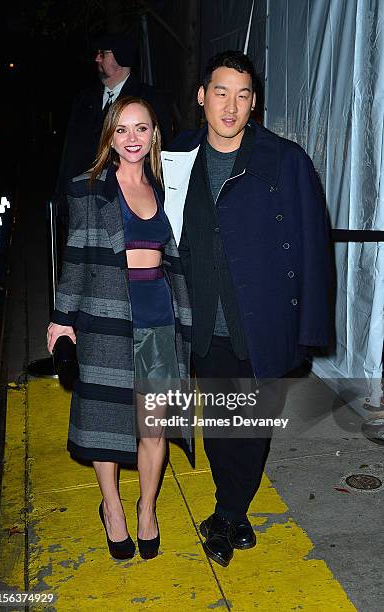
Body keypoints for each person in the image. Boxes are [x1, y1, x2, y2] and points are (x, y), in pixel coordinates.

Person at [161, 50, 331, 567]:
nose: (230, 107)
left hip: (261, 318)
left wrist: (310, 328)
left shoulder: (283, 160)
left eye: (242, 95)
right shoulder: (175, 156)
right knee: (219, 423)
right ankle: (231, 510)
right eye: (220, 93)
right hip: (203, 315)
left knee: (254, 425)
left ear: (254, 103)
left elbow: (312, 246)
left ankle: (228, 512)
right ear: (201, 97)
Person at [47, 96, 191, 561]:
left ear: (154, 135)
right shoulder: (90, 191)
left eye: (142, 129)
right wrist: (61, 319)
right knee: (107, 425)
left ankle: (147, 509)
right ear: (110, 135)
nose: (133, 138)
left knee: (154, 429)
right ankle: (112, 509)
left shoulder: (164, 188)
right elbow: (74, 260)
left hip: (158, 324)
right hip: (105, 321)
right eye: (123, 129)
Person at [56, 32, 172, 204]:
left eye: (103, 53)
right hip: (81, 199)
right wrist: (61, 197)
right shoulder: (83, 100)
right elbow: (69, 154)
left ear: (121, 56)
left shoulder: (149, 100)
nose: (97, 59)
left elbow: (161, 153)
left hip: (126, 201)